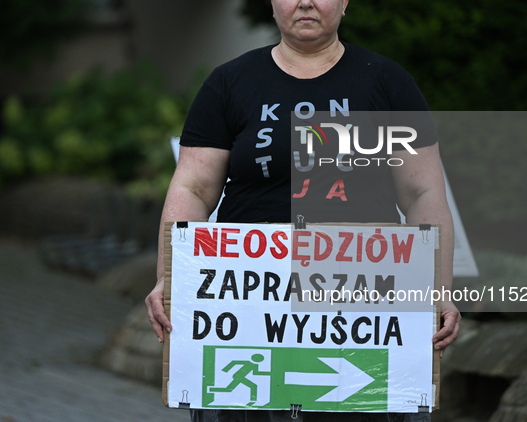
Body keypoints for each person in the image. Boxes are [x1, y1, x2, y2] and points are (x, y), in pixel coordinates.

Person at [146, 0, 460, 421]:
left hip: (360, 305)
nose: (307, 2)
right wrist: (170, 278)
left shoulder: (388, 83)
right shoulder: (229, 83)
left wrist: (437, 290)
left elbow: (423, 192)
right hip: (246, 305)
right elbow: (193, 188)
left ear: (346, 3)